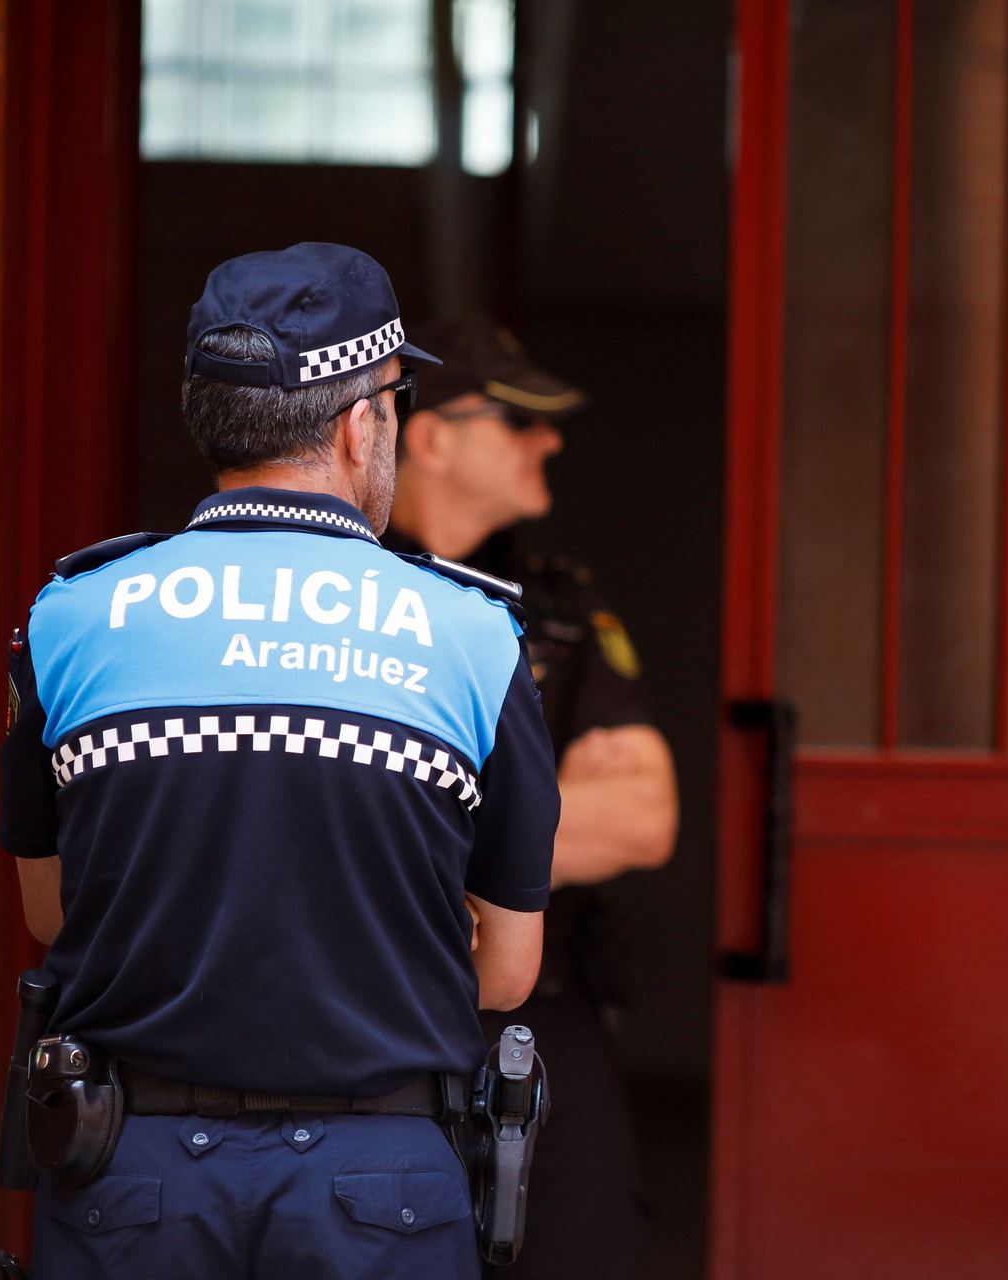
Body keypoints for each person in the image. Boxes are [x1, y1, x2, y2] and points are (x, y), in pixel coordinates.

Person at [0, 244, 559, 1278]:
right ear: (361, 424)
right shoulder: (473, 635)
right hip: (379, 1183)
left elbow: (53, 910)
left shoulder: (70, 615)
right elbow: (509, 968)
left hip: (133, 1172)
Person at [382, 317, 678, 1279]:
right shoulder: (333, 598)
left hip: (539, 1017)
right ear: (428, 436)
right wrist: (532, 809)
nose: (548, 440)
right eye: (518, 421)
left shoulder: (551, 608)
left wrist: (390, 821)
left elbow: (642, 815)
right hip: (366, 1000)